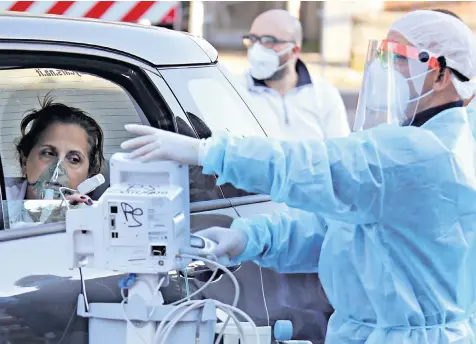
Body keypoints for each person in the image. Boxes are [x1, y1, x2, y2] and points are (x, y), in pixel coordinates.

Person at [121, 9, 476, 343]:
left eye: (397, 57)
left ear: (441, 74)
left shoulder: (422, 153)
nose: (384, 68)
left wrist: (208, 153)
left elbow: (312, 164)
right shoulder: (423, 146)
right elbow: (340, 230)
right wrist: (249, 237)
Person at [238, 9, 350, 140]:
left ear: (294, 50)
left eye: (268, 41)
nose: (257, 49)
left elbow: (340, 152)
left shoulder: (324, 94)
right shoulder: (236, 91)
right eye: (252, 39)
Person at [6, 96, 105, 227]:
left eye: (74, 159)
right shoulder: (4, 197)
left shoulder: (97, 218)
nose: (57, 169)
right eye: (48, 153)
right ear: (25, 162)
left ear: (88, 176)